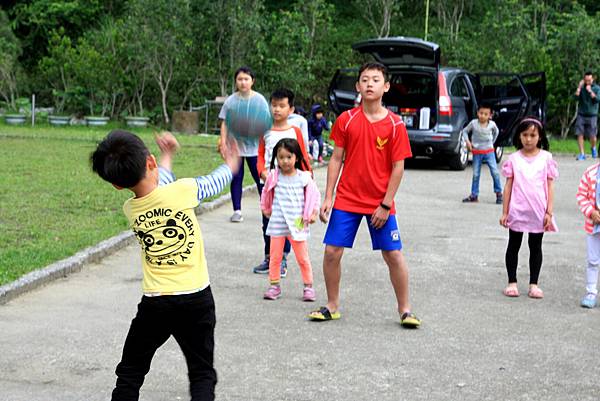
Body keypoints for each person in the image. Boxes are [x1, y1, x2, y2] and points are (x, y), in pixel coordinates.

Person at [90, 130, 239, 401]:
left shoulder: (131, 209)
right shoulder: (183, 191)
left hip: (156, 304)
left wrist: (167, 156)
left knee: (131, 371)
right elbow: (213, 182)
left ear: (117, 185)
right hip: (196, 299)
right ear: (150, 162)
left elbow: (157, 189)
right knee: (201, 373)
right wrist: (231, 164)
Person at [308, 62, 420, 328]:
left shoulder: (395, 125)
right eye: (365, 80)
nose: (370, 84)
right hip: (347, 199)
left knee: (393, 255)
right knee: (332, 252)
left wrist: (385, 204)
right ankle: (332, 305)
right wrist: (328, 197)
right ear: (358, 86)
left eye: (376, 79)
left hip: (379, 203)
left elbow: (398, 168)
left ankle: (405, 310)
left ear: (386, 86)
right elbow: (336, 158)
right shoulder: (347, 120)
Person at [253, 88, 313, 275]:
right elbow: (260, 154)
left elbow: (302, 157)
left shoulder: (295, 131)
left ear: (291, 109)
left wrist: (308, 178)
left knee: (289, 222)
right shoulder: (265, 131)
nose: (277, 110)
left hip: (292, 186)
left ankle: (283, 259)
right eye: (274, 105)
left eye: (282, 106)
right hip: (271, 185)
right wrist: (262, 172)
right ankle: (270, 257)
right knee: (268, 221)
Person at [499, 117, 558, 299]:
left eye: (533, 135)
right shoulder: (514, 159)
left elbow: (549, 186)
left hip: (538, 212)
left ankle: (534, 284)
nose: (529, 139)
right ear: (519, 136)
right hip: (518, 211)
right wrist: (505, 211)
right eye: (525, 135)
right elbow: (508, 186)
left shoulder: (546, 158)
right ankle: (512, 282)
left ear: (540, 137)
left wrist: (549, 211)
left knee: (535, 247)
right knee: (513, 245)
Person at [260, 138, 320, 301]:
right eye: (281, 157)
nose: (285, 161)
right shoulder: (274, 176)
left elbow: (315, 195)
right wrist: (265, 208)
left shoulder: (304, 177)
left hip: (297, 222)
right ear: (276, 159)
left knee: (302, 257)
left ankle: (308, 287)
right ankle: (274, 286)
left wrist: (313, 213)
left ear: (297, 158)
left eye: (289, 157)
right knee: (275, 257)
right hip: (278, 222)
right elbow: (265, 192)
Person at [218, 66, 267, 223]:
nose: (243, 82)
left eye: (246, 79)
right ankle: (237, 210)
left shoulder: (259, 100)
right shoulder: (231, 101)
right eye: (240, 79)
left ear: (252, 81)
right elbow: (224, 123)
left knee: (260, 178)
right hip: (235, 148)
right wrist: (223, 142)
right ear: (236, 82)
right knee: (236, 178)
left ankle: (266, 208)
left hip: (255, 148)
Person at [461, 102, 503, 204]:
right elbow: (465, 131)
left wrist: (492, 142)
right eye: (481, 113)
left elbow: (496, 132)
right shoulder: (473, 123)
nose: (482, 116)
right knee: (476, 174)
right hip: (477, 152)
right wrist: (468, 142)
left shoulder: (492, 125)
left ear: (490, 116)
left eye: (485, 114)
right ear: (477, 113)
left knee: (495, 172)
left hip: (489, 152)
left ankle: (499, 194)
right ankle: (474, 195)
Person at [576, 152, 600, 308]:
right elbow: (581, 195)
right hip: (594, 225)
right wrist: (591, 211)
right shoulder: (591, 173)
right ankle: (591, 291)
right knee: (593, 260)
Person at [574, 71, 600, 160]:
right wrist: (579, 87)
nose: (587, 82)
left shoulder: (596, 88)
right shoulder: (581, 88)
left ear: (592, 79)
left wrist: (590, 91)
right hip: (581, 114)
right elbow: (575, 98)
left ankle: (593, 148)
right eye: (586, 80)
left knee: (592, 135)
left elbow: (597, 100)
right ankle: (582, 153)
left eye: (589, 80)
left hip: (592, 115)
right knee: (579, 134)